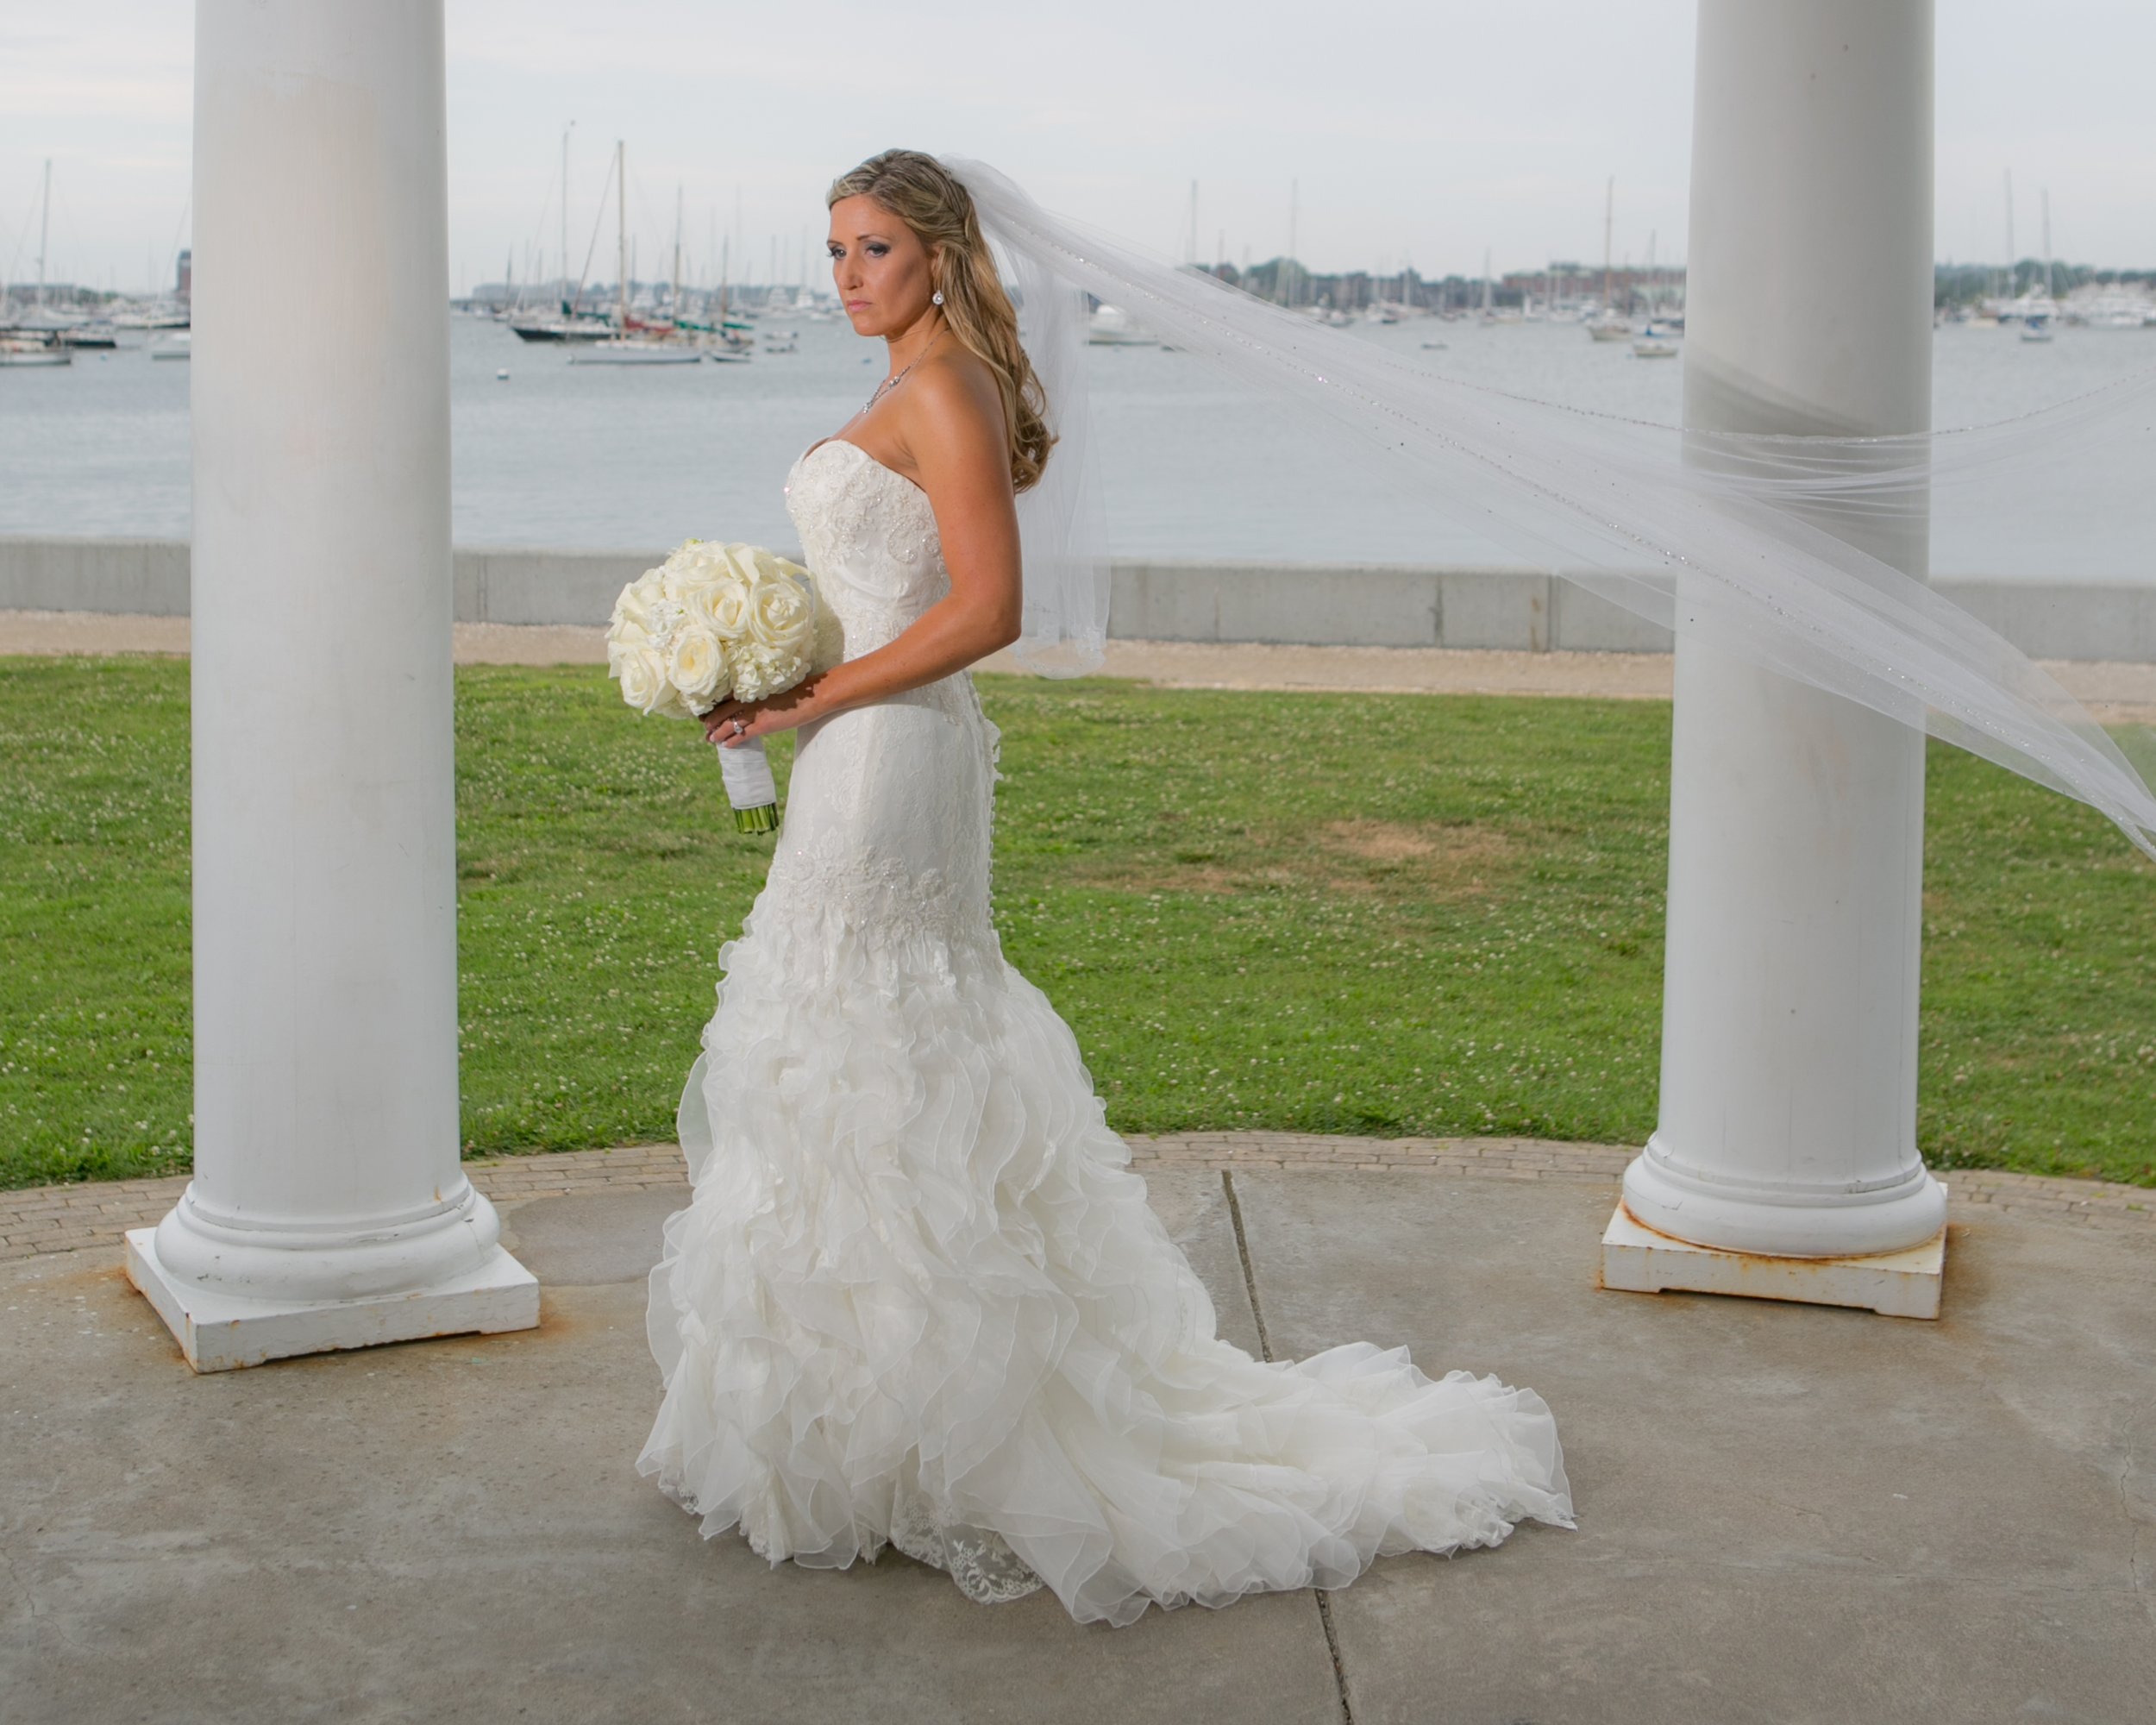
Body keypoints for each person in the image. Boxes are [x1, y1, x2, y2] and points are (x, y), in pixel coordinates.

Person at [637, 148, 1573, 1630]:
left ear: (937, 255)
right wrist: (759, 665)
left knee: (876, 1043)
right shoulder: (912, 382)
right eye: (831, 251)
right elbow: (892, 586)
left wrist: (808, 696)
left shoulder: (943, 390)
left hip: (888, 763)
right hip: (859, 744)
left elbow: (989, 609)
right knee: (854, 1051)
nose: (846, 278)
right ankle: (867, 1419)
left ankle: (952, 1428)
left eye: (872, 248)